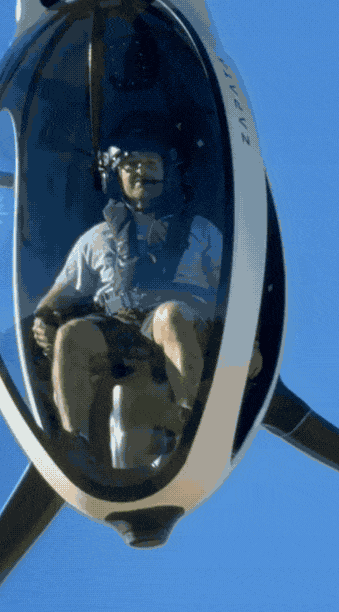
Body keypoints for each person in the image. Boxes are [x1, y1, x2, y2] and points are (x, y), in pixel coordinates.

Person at [31, 112, 222, 454]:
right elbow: (59, 295)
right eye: (129, 164)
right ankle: (76, 445)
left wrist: (248, 344)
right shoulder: (96, 239)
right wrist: (45, 318)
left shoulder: (202, 231)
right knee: (71, 335)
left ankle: (188, 422)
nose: (139, 171)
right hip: (120, 330)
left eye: (150, 162)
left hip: (187, 326)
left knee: (170, 316)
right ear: (115, 176)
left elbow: (234, 292)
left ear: (170, 170)